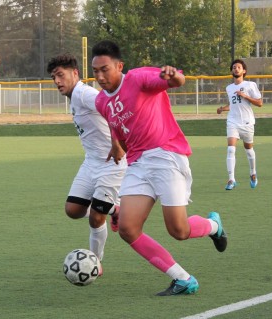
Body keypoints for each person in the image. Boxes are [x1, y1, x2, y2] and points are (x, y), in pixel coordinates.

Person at [91, 40, 227, 296]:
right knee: (128, 229)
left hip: (166, 155)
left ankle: (212, 226)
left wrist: (174, 76)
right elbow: (115, 124)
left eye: (105, 69)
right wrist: (116, 144)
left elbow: (177, 81)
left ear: (119, 66)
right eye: (95, 71)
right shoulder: (100, 101)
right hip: (138, 163)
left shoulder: (138, 78)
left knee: (179, 230)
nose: (99, 76)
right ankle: (183, 279)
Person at [47, 54, 127, 265]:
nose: (57, 81)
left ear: (75, 73)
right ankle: (114, 209)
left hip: (112, 162)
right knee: (73, 210)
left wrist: (117, 144)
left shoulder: (84, 94)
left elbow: (110, 107)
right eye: (53, 77)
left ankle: (95, 263)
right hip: (91, 162)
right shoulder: (74, 98)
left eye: (60, 75)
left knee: (96, 216)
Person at [217, 59, 263, 190]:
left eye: (238, 67)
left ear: (244, 71)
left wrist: (245, 96)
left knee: (249, 150)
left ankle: (253, 173)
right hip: (233, 121)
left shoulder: (250, 85)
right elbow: (233, 105)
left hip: (247, 122)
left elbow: (259, 103)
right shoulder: (229, 88)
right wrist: (222, 108)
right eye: (234, 67)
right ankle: (231, 179)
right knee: (231, 149)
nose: (236, 69)